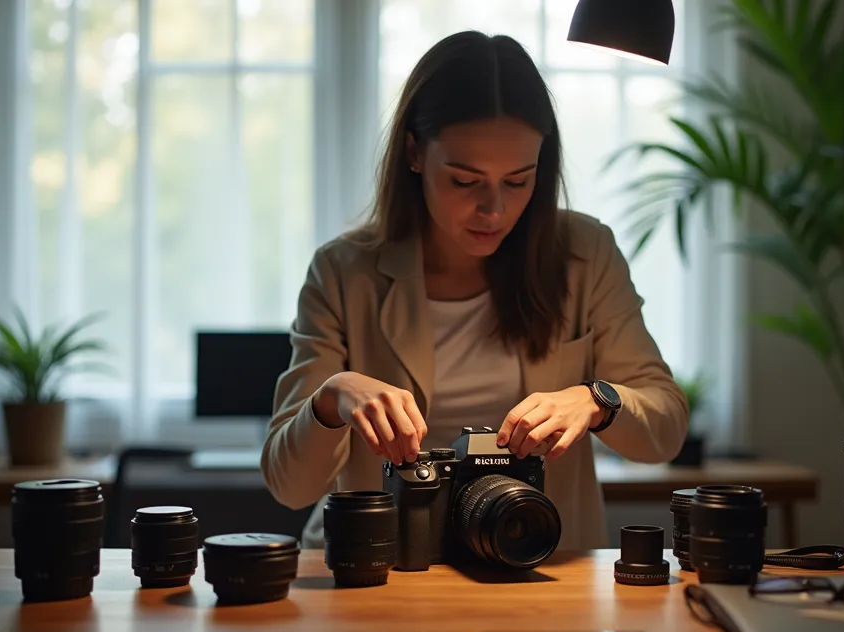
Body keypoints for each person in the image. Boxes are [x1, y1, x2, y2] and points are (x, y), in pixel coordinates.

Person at [260, 30, 688, 552]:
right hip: (376, 568)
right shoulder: (344, 271)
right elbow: (289, 485)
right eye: (465, 181)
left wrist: (596, 401)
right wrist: (332, 399)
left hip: (532, 561)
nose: (494, 210)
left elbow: (664, 429)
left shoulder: (584, 254)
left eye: (518, 181)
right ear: (414, 153)